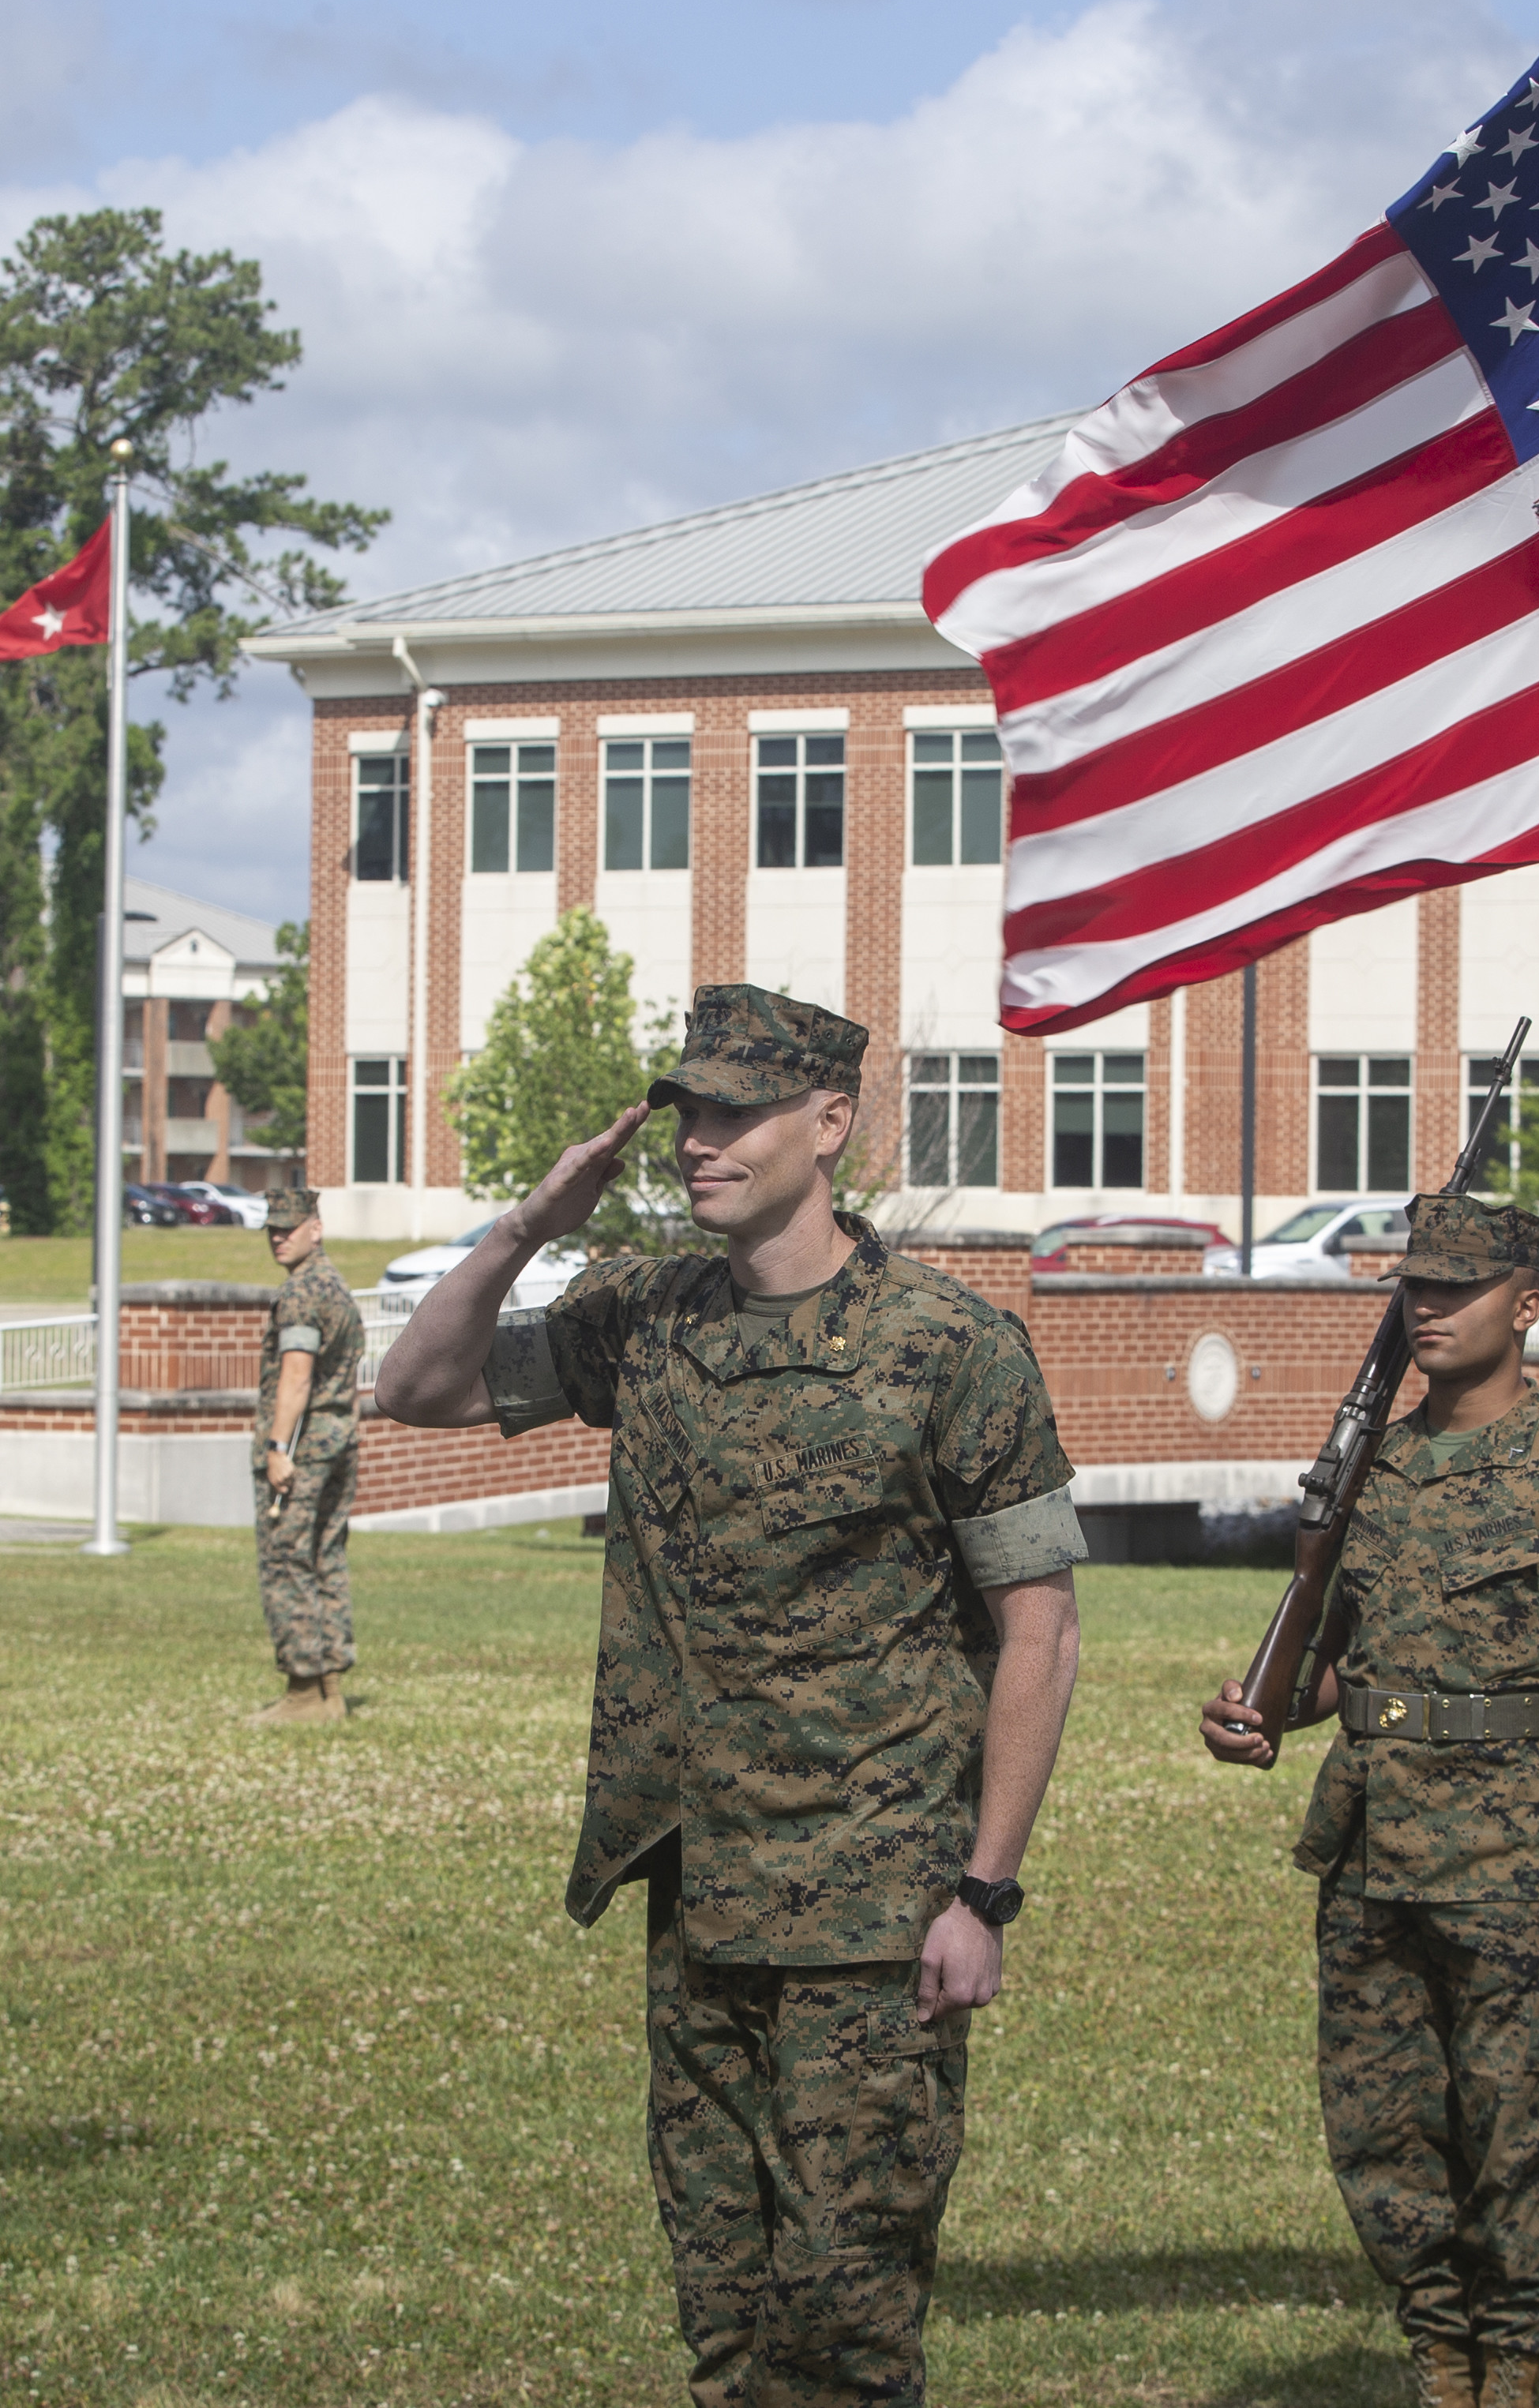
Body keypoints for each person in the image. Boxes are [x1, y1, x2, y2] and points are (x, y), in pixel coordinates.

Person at [375, 982, 1083, 2408]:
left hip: (871, 1914)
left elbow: (1041, 1633)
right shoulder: (642, 1314)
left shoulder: (949, 1348)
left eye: (736, 1111)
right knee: (725, 2321)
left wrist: (983, 1892)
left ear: (827, 1125)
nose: (700, 1139)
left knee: (845, 2322)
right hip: (695, 1893)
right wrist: (525, 1230)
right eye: (688, 1110)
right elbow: (417, 1390)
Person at [1199, 1194, 1539, 2408]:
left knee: (1509, 2124)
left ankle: (1511, 2356)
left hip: (1512, 1850)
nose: (1426, 1307)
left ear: (1524, 1306)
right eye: (1413, 1287)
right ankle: (1438, 2348)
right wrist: (1267, 1712)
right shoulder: (1370, 1462)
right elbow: (1332, 1656)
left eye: (1455, 1289)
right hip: (1369, 1844)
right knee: (1379, 2125)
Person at [255, 1185, 364, 1725]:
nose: (278, 1236)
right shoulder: (336, 1286)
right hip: (341, 1434)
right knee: (325, 1554)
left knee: (286, 1557)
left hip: (305, 1445)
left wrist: (278, 1447)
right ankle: (330, 1687)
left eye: (288, 1228)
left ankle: (303, 1691)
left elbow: (296, 1373)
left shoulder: (302, 1291)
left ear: (314, 1228)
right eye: (272, 1229)